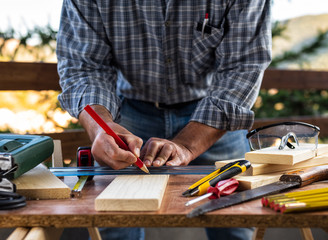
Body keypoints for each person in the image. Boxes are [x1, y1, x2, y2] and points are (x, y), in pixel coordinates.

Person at [56, 0, 272, 239]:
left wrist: (189, 144)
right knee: (114, 220)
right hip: (128, 114)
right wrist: (101, 127)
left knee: (235, 221)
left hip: (213, 117)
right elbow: (85, 67)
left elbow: (243, 67)